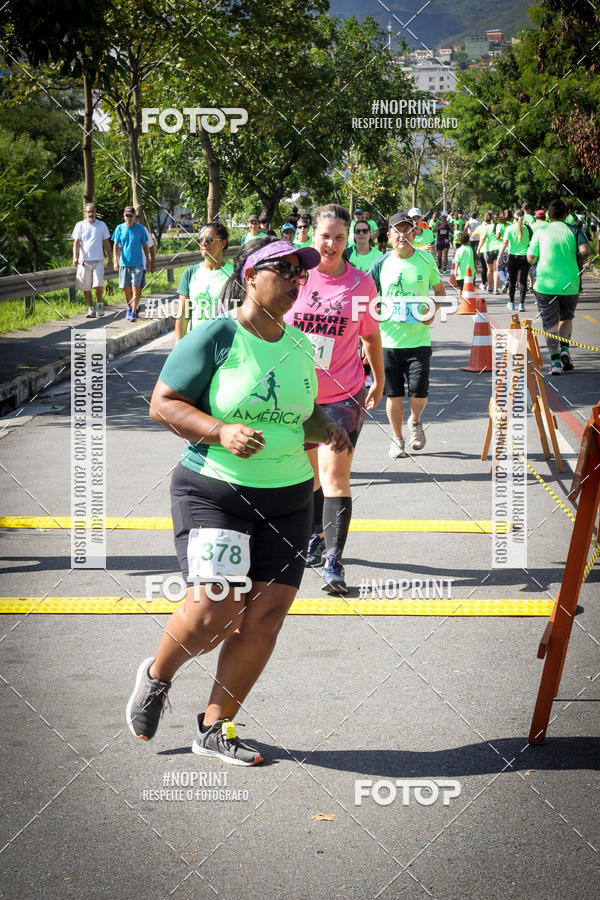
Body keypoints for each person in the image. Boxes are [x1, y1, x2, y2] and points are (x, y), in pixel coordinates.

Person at [126, 236, 350, 763]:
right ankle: (158, 676)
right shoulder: (218, 335)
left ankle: (215, 725)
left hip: (291, 495)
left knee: (266, 617)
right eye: (285, 269)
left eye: (302, 272)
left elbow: (302, 415)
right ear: (250, 276)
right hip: (215, 492)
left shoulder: (297, 345)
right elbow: (163, 404)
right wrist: (220, 430)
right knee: (215, 611)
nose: (298, 278)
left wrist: (329, 427)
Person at [284, 203, 384, 596]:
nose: (332, 244)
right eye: (325, 236)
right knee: (310, 477)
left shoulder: (361, 284)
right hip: (297, 395)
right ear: (313, 236)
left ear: (349, 241)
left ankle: (333, 562)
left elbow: (371, 336)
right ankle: (315, 537)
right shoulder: (295, 277)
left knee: (335, 476)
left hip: (343, 394)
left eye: (339, 238)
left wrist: (379, 378)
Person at [368, 211, 446, 460]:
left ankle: (415, 420)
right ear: (389, 235)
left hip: (418, 341)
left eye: (407, 230)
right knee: (394, 394)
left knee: (419, 393)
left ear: (415, 233)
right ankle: (397, 439)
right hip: (388, 342)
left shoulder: (425, 260)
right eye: (397, 231)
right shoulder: (380, 263)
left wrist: (433, 310)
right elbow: (366, 298)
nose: (403, 235)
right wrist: (366, 334)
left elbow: (441, 292)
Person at [527, 198, 591, 375]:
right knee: (566, 318)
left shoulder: (541, 231)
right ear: (566, 214)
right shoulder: (574, 230)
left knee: (550, 324)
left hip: (545, 285)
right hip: (570, 283)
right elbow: (586, 250)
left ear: (548, 215)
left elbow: (530, 258)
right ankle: (565, 349)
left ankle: (555, 363)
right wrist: (579, 256)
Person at [174, 223, 233, 342]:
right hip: (196, 343)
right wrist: (178, 345)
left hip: (225, 345)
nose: (203, 243)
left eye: (209, 240)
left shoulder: (234, 275)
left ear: (223, 243)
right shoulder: (190, 273)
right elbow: (183, 314)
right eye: (200, 240)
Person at [71, 202, 112, 318]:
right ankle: (91, 308)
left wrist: (110, 259)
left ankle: (99, 304)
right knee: (86, 286)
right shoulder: (80, 225)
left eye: (93, 211)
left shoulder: (102, 225)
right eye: (88, 211)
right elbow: (77, 242)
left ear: (96, 212)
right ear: (85, 213)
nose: (91, 213)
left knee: (98, 285)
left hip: (98, 260)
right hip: (84, 261)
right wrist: (75, 256)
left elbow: (106, 242)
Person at [112, 205, 149, 322]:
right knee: (126, 289)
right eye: (127, 215)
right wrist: (115, 260)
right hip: (124, 263)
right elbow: (116, 245)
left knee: (136, 287)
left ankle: (133, 312)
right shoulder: (119, 228)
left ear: (134, 217)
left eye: (131, 216)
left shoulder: (140, 229)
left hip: (137, 263)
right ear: (124, 216)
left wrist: (147, 260)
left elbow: (145, 245)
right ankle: (128, 308)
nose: (129, 218)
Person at [498, 210, 532, 312]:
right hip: (525, 257)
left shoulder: (509, 228)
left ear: (514, 217)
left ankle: (511, 303)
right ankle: (521, 304)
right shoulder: (527, 229)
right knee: (523, 281)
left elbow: (504, 243)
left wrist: (499, 256)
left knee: (512, 281)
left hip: (512, 257)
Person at [477, 212, 500, 294]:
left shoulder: (487, 227)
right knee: (496, 270)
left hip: (488, 250)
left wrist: (478, 248)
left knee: (489, 270)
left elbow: (483, 239)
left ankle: (490, 287)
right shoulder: (499, 227)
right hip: (497, 249)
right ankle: (496, 288)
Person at [453, 233, 475, 304]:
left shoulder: (459, 250)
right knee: (469, 287)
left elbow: (457, 261)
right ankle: (469, 300)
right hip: (470, 272)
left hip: (461, 272)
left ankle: (461, 299)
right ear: (468, 240)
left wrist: (455, 271)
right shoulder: (470, 249)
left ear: (459, 241)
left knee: (460, 288)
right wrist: (475, 270)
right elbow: (474, 260)